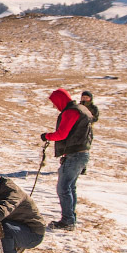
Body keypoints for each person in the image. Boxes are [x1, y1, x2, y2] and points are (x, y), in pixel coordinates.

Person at [40, 88, 93, 231]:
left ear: (60, 100)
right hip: (82, 153)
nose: (54, 106)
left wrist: (47, 136)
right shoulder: (81, 110)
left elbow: (62, 134)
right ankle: (70, 218)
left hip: (74, 154)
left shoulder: (71, 112)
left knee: (63, 188)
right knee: (70, 187)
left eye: (55, 103)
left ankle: (67, 221)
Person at [0, 175, 45, 253]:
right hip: (18, 226)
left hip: (34, 233)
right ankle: (13, 245)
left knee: (4, 228)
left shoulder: (13, 192)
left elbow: (6, 208)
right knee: (2, 226)